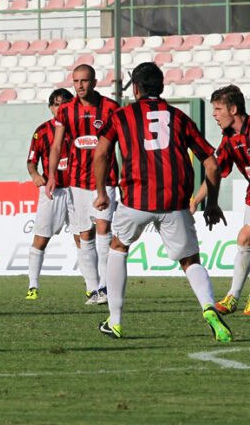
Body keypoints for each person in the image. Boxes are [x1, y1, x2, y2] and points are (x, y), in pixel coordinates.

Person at [92, 62, 231, 342]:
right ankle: (208, 306)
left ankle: (115, 321)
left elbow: (101, 154)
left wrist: (100, 192)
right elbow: (213, 165)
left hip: (136, 199)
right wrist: (211, 203)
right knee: (190, 261)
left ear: (135, 88)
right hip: (175, 202)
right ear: (162, 87)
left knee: (118, 247)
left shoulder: (121, 116)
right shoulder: (179, 118)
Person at [45, 64, 119, 304]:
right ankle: (93, 289)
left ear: (94, 82)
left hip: (105, 180)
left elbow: (124, 143)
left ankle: (107, 287)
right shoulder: (65, 110)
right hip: (77, 181)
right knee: (84, 234)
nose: (80, 85)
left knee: (103, 229)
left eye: (84, 81)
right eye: (76, 81)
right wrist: (52, 175)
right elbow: (56, 146)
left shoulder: (110, 108)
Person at [191, 85, 250, 316]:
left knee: (245, 237)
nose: (214, 114)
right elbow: (215, 172)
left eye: (218, 108)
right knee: (245, 241)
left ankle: (233, 297)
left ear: (233, 109)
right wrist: (195, 200)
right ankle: (233, 299)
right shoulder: (229, 140)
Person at [25, 88, 80, 299]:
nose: (60, 108)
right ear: (50, 108)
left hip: (77, 189)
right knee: (41, 238)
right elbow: (31, 160)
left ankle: (93, 286)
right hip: (52, 191)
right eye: (56, 104)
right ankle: (33, 286)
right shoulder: (42, 131)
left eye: (64, 104)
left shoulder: (78, 129)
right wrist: (35, 175)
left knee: (82, 238)